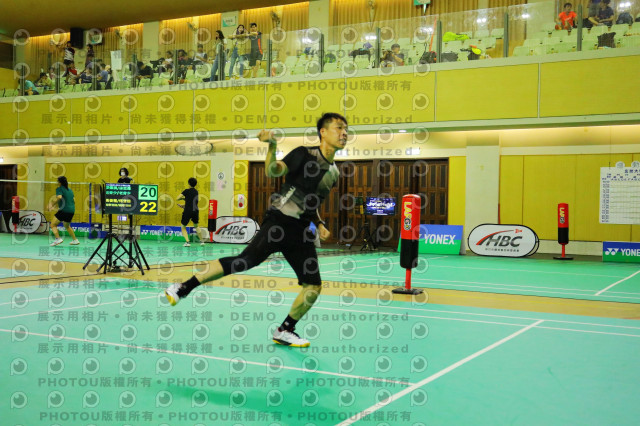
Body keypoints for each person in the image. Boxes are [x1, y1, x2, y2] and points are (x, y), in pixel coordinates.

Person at [165, 113, 348, 348]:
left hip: (301, 231)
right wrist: (271, 146)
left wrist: (319, 224)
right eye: (339, 128)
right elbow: (273, 170)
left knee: (313, 286)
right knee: (244, 261)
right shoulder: (304, 154)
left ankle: (285, 330)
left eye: (346, 129)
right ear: (323, 132)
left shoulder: (334, 173)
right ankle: (183, 287)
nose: (344, 133)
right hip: (280, 222)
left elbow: (312, 203)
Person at [48, 176, 79, 246]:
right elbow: (74, 200)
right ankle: (75, 240)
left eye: (57, 181)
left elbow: (59, 197)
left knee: (53, 224)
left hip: (64, 210)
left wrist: (52, 205)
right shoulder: (70, 190)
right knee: (67, 225)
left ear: (60, 182)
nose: (57, 183)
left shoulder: (59, 189)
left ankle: (58, 239)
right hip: (71, 210)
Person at [177, 177, 205, 247]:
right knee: (196, 225)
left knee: (183, 226)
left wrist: (182, 198)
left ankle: (188, 242)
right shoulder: (196, 192)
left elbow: (177, 198)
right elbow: (193, 202)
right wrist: (184, 205)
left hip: (188, 211)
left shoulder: (186, 191)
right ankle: (202, 241)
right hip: (195, 210)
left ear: (188, 183)